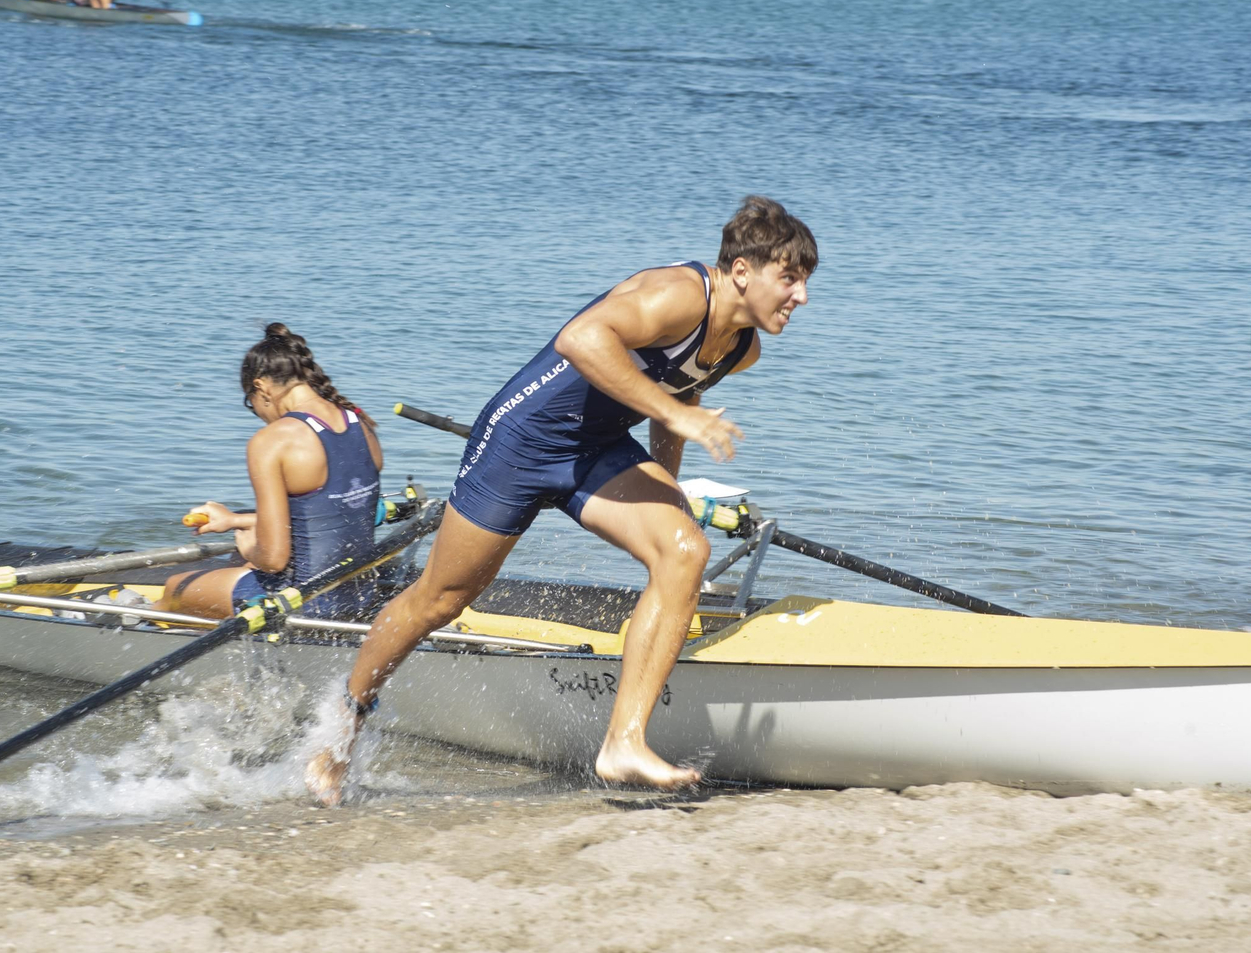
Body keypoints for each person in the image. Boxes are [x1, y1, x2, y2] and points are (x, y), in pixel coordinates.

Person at [305, 196, 817, 805]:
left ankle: (623, 742)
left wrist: (668, 491)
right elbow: (581, 339)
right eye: (789, 278)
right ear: (741, 271)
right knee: (439, 601)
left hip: (596, 448)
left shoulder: (740, 347)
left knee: (684, 550)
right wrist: (679, 414)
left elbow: (668, 409)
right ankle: (340, 732)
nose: (802, 296)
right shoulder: (675, 295)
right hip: (519, 442)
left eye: (806, 281)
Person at [156, 324, 385, 623]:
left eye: (251, 404)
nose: (259, 415)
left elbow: (274, 558)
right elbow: (332, 513)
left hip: (301, 603)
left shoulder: (272, 441)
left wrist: (250, 546)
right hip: (360, 595)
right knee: (243, 569)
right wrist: (234, 520)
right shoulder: (360, 422)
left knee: (175, 589)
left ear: (261, 387)